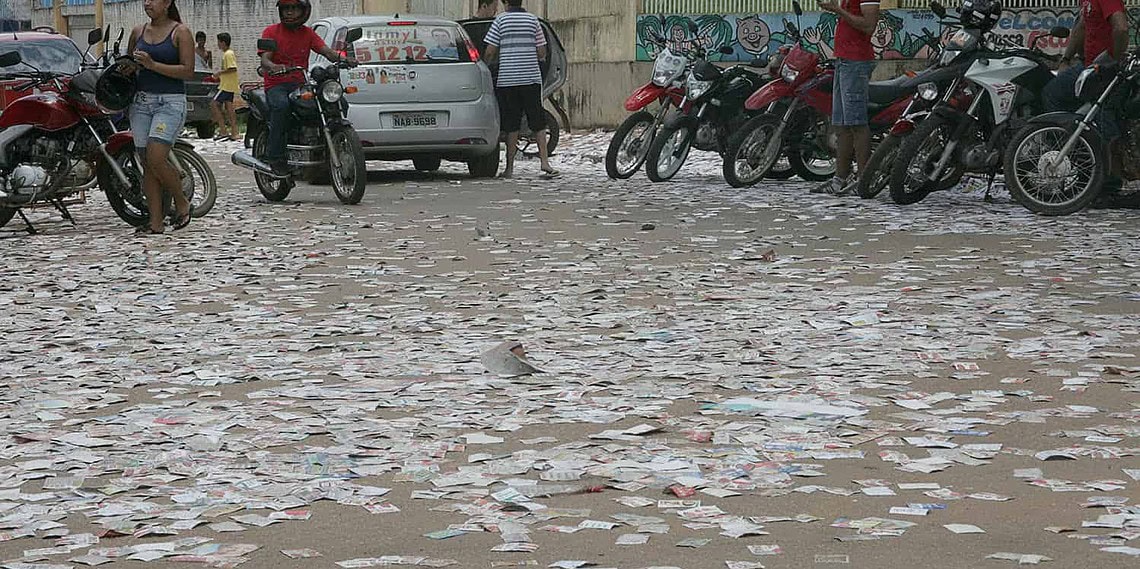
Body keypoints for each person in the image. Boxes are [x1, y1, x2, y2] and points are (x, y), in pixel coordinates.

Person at [1042, 0, 1129, 203]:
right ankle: (1079, 155)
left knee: (1104, 116)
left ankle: (1107, 182)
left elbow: (1122, 28)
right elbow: (1082, 26)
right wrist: (1065, 59)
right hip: (1089, 66)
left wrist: (1113, 60)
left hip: (1103, 70)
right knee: (1052, 92)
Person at [260, 0, 355, 176]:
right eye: (286, 9)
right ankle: (275, 157)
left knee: (337, 103)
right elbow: (265, 59)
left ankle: (330, 145)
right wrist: (274, 67)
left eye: (294, 8)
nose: (289, 12)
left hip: (300, 84)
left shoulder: (308, 33)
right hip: (277, 84)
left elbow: (327, 52)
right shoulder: (271, 32)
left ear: (304, 11)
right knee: (281, 107)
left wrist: (344, 59)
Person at [126, 0, 195, 235]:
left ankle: (181, 201)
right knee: (147, 163)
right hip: (141, 103)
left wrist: (152, 64)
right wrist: (129, 68)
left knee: (156, 157)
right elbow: (130, 64)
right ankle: (155, 222)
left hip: (170, 102)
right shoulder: (138, 31)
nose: (147, 3)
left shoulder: (180, 32)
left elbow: (188, 71)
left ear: (167, 3)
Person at [484, 0, 558, 179]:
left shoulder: (500, 21)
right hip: (531, 79)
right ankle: (545, 163)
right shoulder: (533, 20)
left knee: (512, 124)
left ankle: (509, 168)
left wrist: (485, 66)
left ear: (506, 3)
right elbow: (542, 51)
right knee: (538, 121)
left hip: (508, 80)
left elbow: (490, 50)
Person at [812, 0, 880, 196]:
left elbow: (868, 26)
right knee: (841, 124)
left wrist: (838, 10)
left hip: (856, 62)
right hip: (843, 60)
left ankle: (864, 180)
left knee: (857, 123)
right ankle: (840, 178)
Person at [211, 32, 240, 141]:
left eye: (218, 42)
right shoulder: (228, 53)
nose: (217, 44)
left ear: (223, 42)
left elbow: (233, 68)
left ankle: (223, 130)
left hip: (226, 86)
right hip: (229, 85)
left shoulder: (228, 54)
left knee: (214, 104)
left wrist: (219, 73)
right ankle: (234, 132)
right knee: (229, 108)